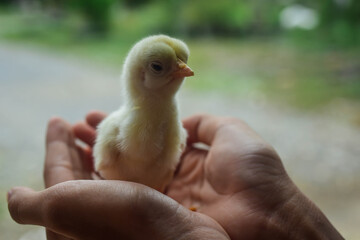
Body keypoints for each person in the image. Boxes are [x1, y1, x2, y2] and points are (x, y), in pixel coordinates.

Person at [7, 111, 344, 240]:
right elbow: (105, 162)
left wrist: (279, 210)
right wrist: (285, 217)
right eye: (159, 67)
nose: (184, 70)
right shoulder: (116, 129)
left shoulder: (172, 130)